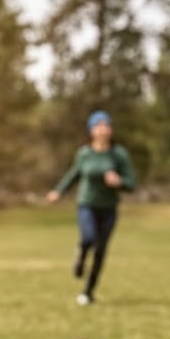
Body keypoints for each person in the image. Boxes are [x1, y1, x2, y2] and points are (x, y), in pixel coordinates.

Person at [47, 110, 136, 305]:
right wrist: (58, 191)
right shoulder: (84, 154)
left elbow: (132, 183)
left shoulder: (119, 154)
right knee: (89, 237)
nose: (103, 130)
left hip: (109, 208)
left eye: (107, 126)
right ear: (91, 130)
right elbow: (73, 175)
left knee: (100, 250)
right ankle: (80, 253)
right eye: (99, 126)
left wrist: (119, 181)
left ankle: (88, 292)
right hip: (87, 204)